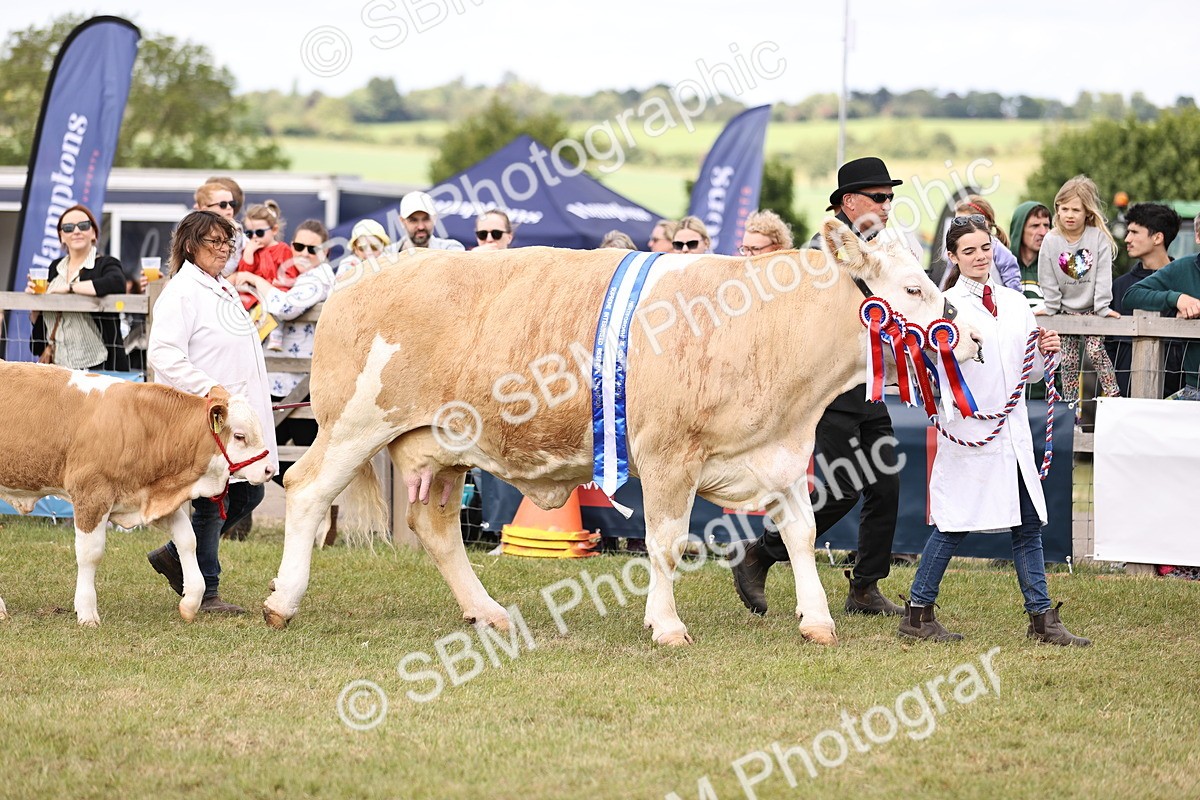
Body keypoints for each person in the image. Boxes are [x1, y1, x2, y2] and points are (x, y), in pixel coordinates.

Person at [899, 214, 1090, 646]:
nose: (980, 257)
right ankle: (918, 613)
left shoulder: (1015, 302)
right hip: (970, 430)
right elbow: (937, 371)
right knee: (953, 523)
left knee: (1027, 524)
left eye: (985, 248)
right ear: (952, 256)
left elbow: (1031, 373)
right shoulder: (943, 308)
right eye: (968, 251)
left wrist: (1047, 351)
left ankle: (1041, 619)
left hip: (1012, 431)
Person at [732, 156, 906, 617]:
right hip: (827, 390)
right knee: (844, 487)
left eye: (890, 197)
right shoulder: (821, 252)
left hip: (865, 381)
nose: (887, 205)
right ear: (849, 202)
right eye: (878, 197)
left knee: (886, 485)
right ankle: (760, 553)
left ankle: (865, 588)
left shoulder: (883, 247)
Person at [145, 210, 278, 614]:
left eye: (228, 242)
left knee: (249, 491)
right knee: (213, 499)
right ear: (190, 245)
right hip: (207, 417)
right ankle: (206, 591)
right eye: (214, 242)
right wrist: (210, 388)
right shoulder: (182, 291)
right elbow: (163, 353)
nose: (224, 249)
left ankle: (175, 555)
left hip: (234, 414)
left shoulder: (221, 287)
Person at [230, 220, 335, 483]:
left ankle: (306, 496)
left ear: (325, 252)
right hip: (284, 380)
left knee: (293, 452)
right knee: (273, 450)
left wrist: (254, 279)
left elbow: (286, 307)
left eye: (313, 249)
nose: (304, 254)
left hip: (301, 382)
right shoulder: (296, 275)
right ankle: (302, 494)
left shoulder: (318, 277)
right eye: (299, 246)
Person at [1037, 175, 1122, 405]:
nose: (1069, 215)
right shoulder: (1051, 240)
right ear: (1057, 208)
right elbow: (1047, 276)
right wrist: (1051, 306)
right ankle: (1071, 407)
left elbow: (1103, 276)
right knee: (1068, 360)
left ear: (1087, 212)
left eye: (1076, 210)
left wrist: (1103, 307)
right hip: (1064, 310)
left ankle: (1114, 397)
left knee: (1095, 351)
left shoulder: (1098, 238)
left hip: (1091, 309)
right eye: (1064, 208)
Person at [27, 204, 130, 372]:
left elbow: (117, 283)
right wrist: (35, 305)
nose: (76, 231)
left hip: (99, 367)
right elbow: (40, 331)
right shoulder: (54, 269)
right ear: (61, 237)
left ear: (93, 233)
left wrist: (70, 288)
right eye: (68, 228)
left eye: (83, 225)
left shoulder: (105, 263)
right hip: (58, 367)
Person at [1106, 203, 1186, 398]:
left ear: (1158, 237)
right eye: (1128, 232)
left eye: (1134, 232)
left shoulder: (1186, 284)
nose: (1127, 239)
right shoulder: (1118, 286)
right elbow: (1109, 345)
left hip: (1178, 401)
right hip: (1125, 399)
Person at [1124, 243, 1200, 400]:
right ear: (1198, 237)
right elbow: (1131, 295)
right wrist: (1176, 299)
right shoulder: (1184, 268)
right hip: (1196, 388)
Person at [941, 196, 1020, 292]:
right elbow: (947, 279)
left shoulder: (997, 247)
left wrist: (1011, 297)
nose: (958, 228)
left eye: (986, 248)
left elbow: (1012, 277)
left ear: (985, 223)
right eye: (957, 222)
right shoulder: (955, 249)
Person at [193, 179, 244, 277]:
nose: (229, 207)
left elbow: (232, 263)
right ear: (205, 210)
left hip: (220, 278)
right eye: (223, 205)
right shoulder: (194, 230)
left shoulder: (236, 230)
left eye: (232, 203)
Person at [1009, 201, 1051, 311]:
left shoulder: (1055, 267)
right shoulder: (1002, 267)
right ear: (1019, 229)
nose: (1043, 232)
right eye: (1035, 226)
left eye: (1046, 225)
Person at [397, 191, 465, 251]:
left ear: (434, 218)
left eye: (426, 219)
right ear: (402, 221)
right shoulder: (391, 253)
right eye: (413, 220)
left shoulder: (452, 249)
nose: (421, 227)